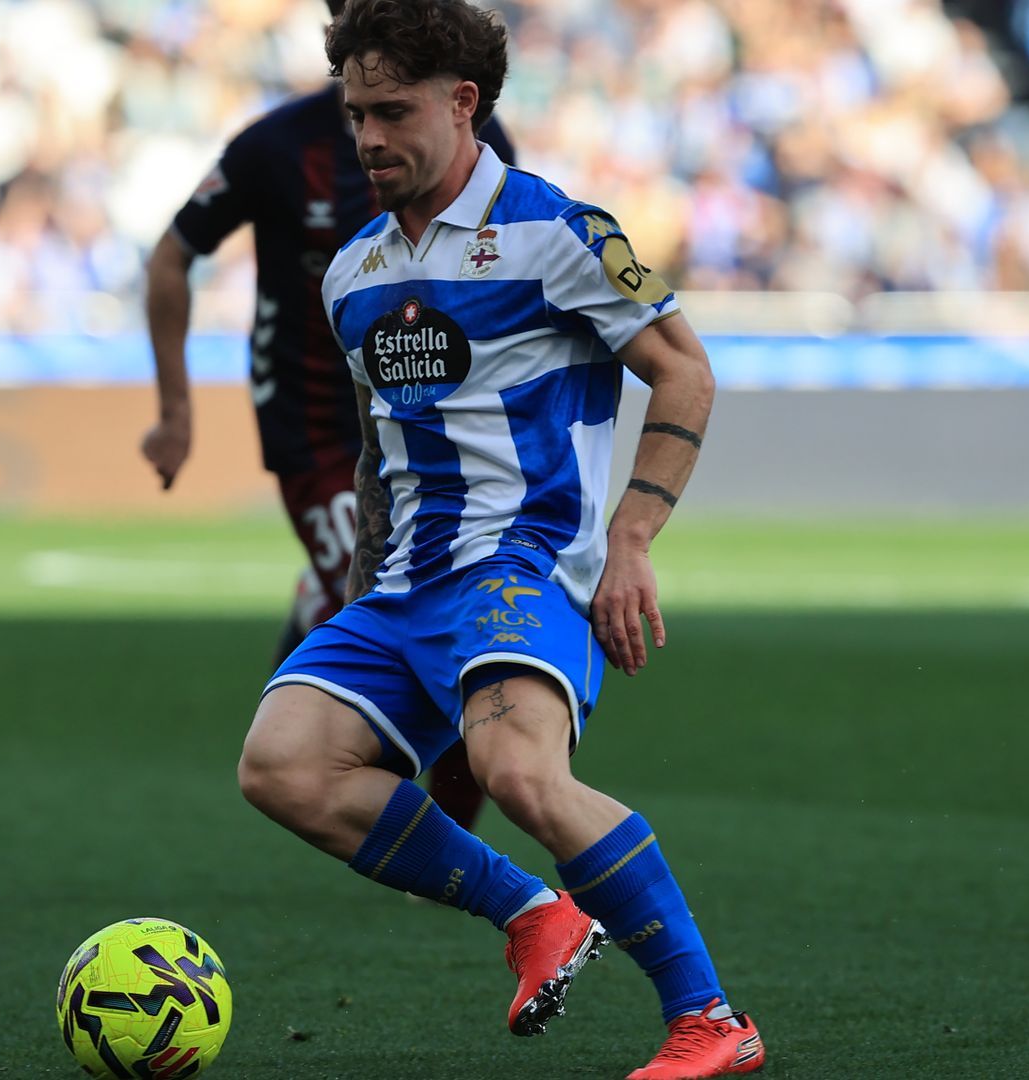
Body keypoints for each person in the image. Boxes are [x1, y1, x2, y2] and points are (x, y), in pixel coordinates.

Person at [235, 2, 765, 1076]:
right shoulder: (354, 275)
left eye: (392, 112)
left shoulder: (555, 231)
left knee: (517, 771)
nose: (369, 138)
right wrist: (355, 587)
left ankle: (710, 1021)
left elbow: (684, 369)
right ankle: (533, 914)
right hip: (405, 587)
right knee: (283, 766)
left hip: (526, 565)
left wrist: (632, 540)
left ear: (462, 101)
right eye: (355, 115)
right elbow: (386, 458)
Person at [142, 0, 516, 830]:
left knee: (455, 600)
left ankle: (439, 811)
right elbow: (172, 258)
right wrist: (175, 412)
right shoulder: (277, 147)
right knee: (401, 592)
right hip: (313, 420)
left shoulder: (475, 141)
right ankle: (420, 820)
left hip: (430, 417)